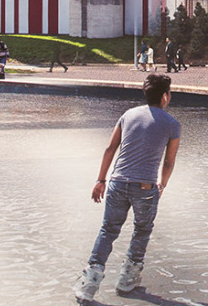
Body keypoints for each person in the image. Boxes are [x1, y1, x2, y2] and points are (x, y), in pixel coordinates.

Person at [74, 73, 181, 303]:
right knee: (141, 231)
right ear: (165, 97)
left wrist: (100, 180)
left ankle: (88, 285)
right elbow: (169, 161)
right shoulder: (172, 124)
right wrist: (163, 184)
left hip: (117, 183)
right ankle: (126, 281)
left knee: (108, 230)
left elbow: (110, 148)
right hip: (145, 187)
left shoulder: (128, 115)